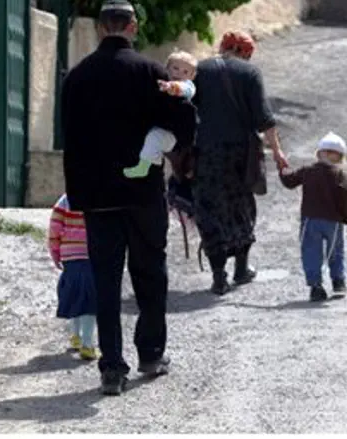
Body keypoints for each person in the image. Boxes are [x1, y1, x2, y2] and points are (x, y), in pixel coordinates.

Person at [61, 0, 198, 396]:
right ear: (132, 27)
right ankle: (151, 354)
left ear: (102, 28)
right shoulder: (151, 73)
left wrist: (79, 194)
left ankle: (112, 368)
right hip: (142, 194)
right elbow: (184, 127)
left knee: (106, 280)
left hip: (98, 196)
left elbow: (70, 138)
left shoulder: (78, 77)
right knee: (149, 273)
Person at [191, 30, 289, 295]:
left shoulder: (201, 70)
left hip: (207, 152)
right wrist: (278, 153)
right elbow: (265, 119)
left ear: (222, 47)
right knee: (242, 206)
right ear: (245, 52)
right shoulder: (250, 74)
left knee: (210, 208)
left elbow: (187, 108)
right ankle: (241, 269)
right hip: (241, 153)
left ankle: (218, 274)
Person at [278, 132, 347, 302]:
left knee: (311, 252)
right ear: (339, 157)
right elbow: (346, 199)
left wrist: (282, 169)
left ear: (319, 154)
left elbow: (289, 182)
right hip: (333, 222)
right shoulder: (341, 175)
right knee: (336, 251)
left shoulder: (307, 171)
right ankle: (338, 281)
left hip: (310, 220)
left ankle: (316, 286)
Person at [123, 50, 198, 179]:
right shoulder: (161, 83)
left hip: (173, 134)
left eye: (185, 72)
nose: (179, 73)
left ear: (192, 77)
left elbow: (182, 89)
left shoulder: (188, 86)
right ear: (167, 68)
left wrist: (171, 87)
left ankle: (143, 167)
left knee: (155, 138)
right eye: (175, 68)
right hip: (161, 128)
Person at [48, 193, 98, 361]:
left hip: (69, 256)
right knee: (90, 302)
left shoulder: (65, 200)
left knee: (76, 295)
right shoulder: (98, 196)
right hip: (91, 256)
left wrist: (55, 251)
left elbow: (54, 227)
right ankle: (87, 344)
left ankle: (75, 336)